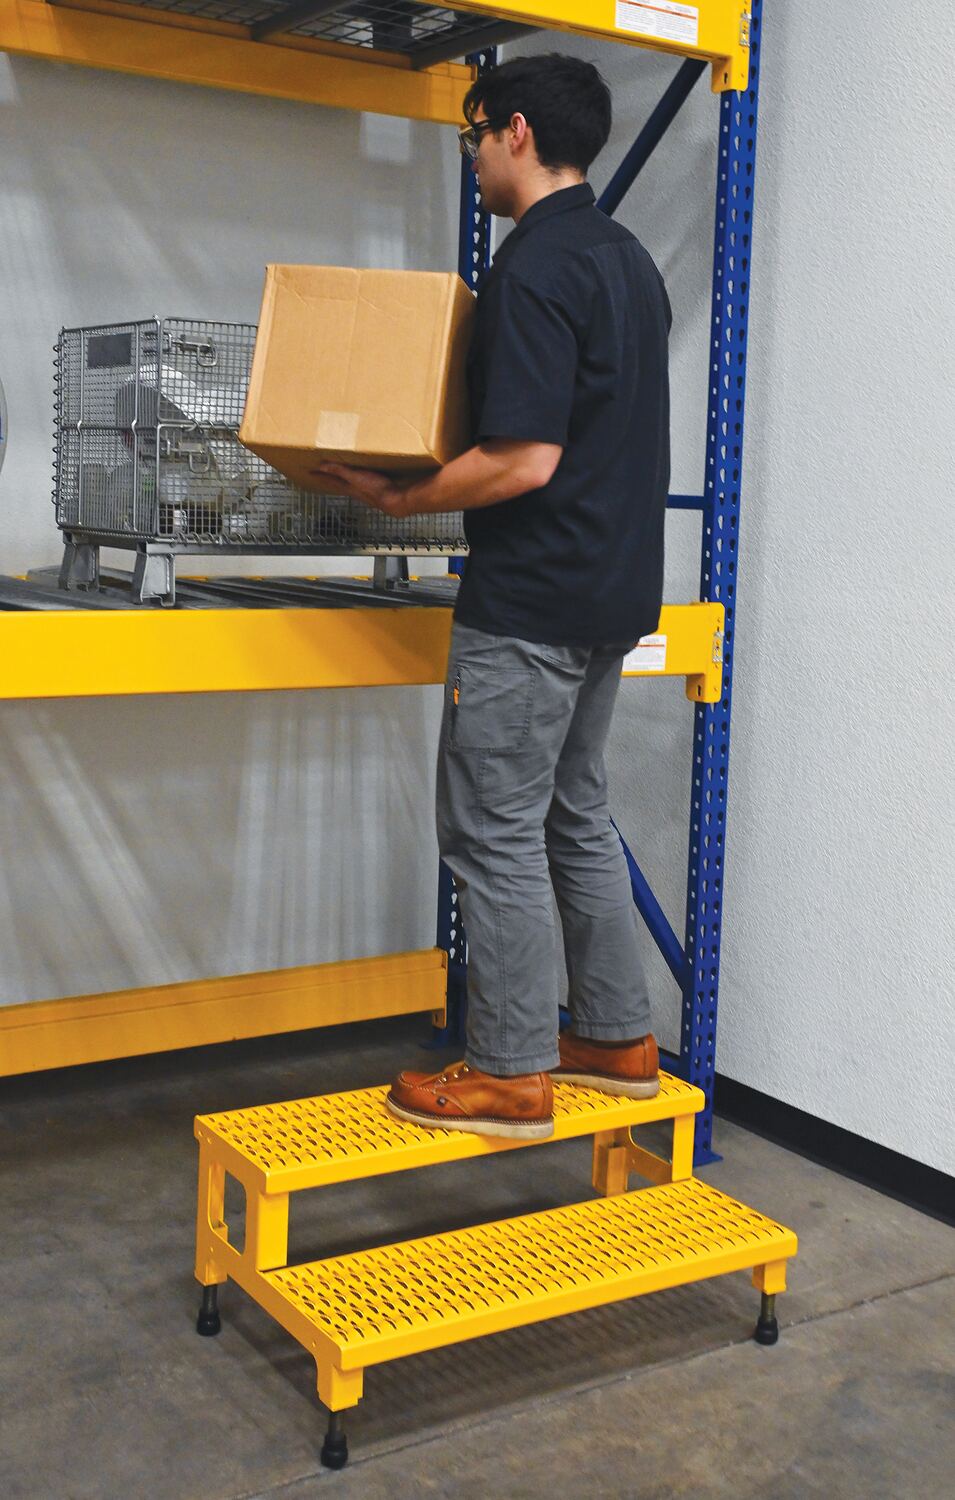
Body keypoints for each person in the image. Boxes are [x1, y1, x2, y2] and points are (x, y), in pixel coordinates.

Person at [313, 53, 671, 1142]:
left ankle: (511, 1072)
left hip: (531, 602)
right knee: (573, 814)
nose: (471, 155)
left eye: (474, 134)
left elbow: (521, 459)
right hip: (609, 594)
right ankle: (615, 1039)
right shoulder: (626, 261)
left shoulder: (533, 269)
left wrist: (398, 498)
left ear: (516, 132)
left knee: (491, 830)